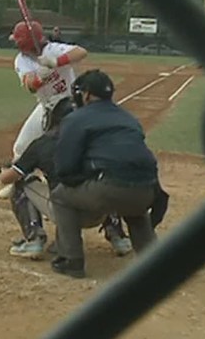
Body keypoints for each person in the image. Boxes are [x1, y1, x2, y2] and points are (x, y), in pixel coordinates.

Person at [48, 69, 162, 279]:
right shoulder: (129, 118)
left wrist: (82, 178)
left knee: (60, 196)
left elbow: (65, 168)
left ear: (88, 94)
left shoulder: (76, 118)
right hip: (147, 192)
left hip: (108, 190)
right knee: (135, 209)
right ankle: (154, 261)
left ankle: (71, 259)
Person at [0, 98, 135, 259]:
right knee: (107, 177)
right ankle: (118, 236)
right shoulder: (98, 140)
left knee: (22, 183)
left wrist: (4, 170)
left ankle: (34, 239)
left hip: (67, 213)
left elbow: (7, 179)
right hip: (101, 210)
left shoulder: (41, 144)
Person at [0, 18, 87, 200]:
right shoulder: (21, 60)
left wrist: (56, 62)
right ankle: (17, 182)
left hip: (70, 105)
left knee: (71, 147)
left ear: (25, 42)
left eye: (17, 40)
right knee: (21, 146)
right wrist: (42, 76)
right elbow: (30, 86)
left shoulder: (53, 50)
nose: (15, 43)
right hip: (46, 106)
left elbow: (81, 52)